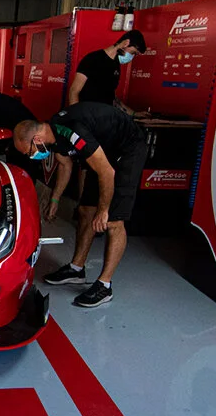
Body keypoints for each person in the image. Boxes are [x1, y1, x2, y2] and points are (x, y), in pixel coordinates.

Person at [11, 101, 149, 308]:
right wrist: (55, 200)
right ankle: (76, 269)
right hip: (104, 152)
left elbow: (106, 172)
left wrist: (103, 210)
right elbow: (65, 165)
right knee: (85, 211)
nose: (31, 156)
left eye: (29, 151)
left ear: (37, 139)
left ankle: (105, 285)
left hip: (128, 150)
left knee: (113, 221)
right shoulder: (54, 132)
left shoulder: (74, 131)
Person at [66, 30, 146, 109]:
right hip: (87, 116)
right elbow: (74, 91)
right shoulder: (92, 59)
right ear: (126, 43)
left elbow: (111, 97)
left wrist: (133, 114)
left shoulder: (116, 65)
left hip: (104, 117)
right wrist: (77, 116)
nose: (132, 57)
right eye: (133, 53)